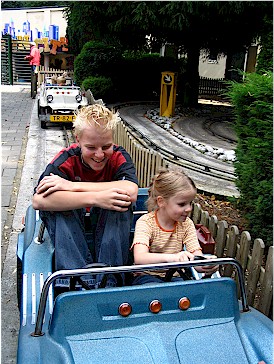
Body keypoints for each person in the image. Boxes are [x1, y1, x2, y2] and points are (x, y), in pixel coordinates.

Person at [32, 104, 139, 286]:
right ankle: (77, 282)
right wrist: (96, 198)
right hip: (74, 223)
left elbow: (131, 191)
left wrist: (72, 186)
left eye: (106, 146)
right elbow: (39, 200)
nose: (99, 154)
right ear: (78, 140)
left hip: (106, 223)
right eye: (91, 147)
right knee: (62, 207)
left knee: (120, 202)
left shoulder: (119, 156)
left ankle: (110, 280)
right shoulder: (65, 159)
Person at [131, 168, 218, 285]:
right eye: (182, 204)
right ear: (161, 202)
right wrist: (173, 258)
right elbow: (140, 258)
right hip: (147, 276)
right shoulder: (146, 222)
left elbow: (196, 258)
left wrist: (206, 265)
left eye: (190, 203)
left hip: (176, 277)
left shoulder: (186, 224)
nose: (189, 209)